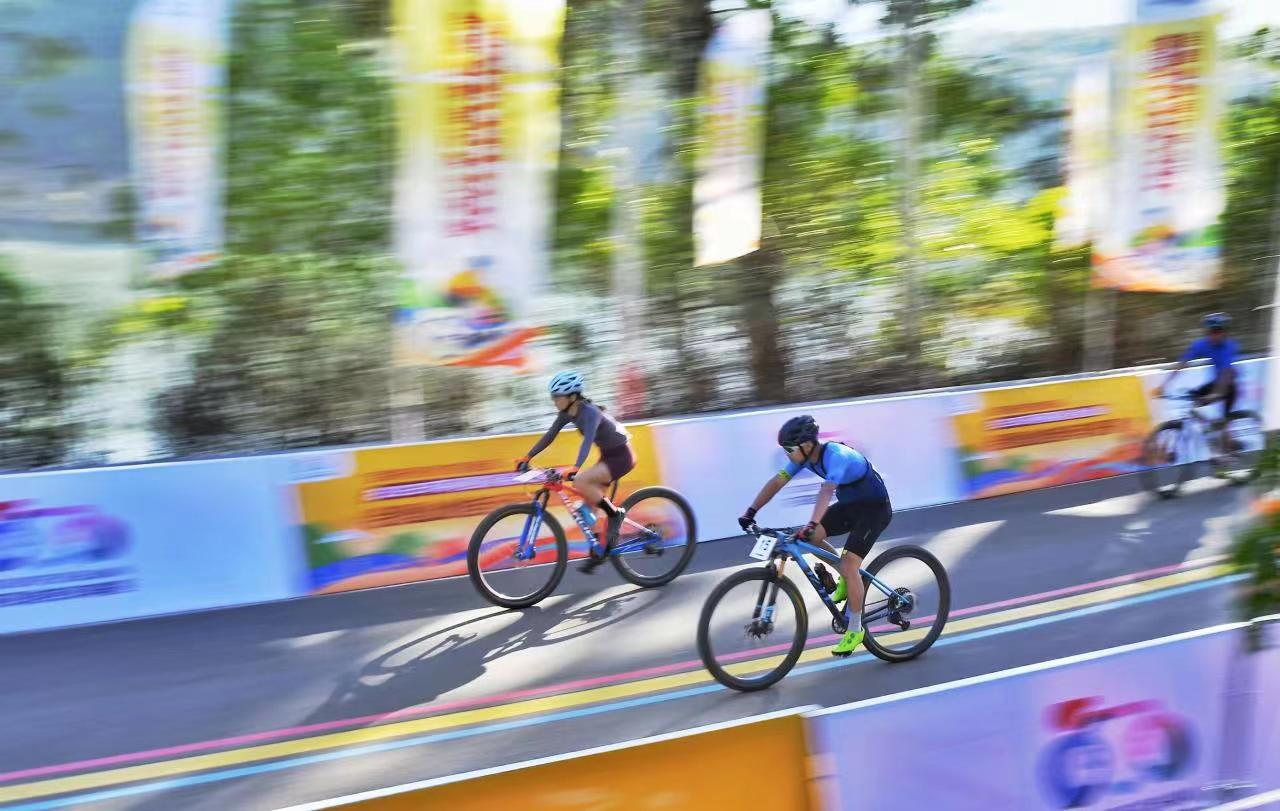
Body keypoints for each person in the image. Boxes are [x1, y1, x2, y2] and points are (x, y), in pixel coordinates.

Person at [738, 415, 892, 658]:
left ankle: (855, 629)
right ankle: (845, 578)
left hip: (874, 511)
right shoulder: (804, 458)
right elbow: (777, 482)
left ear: (807, 445)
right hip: (851, 506)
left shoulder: (837, 456)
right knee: (811, 538)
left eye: (790, 449)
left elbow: (827, 491)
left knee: (850, 564)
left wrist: (811, 523)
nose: (787, 454)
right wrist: (751, 512)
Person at [517, 371, 635, 572]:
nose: (553, 400)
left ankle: (615, 515)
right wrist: (527, 457)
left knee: (580, 481)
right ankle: (599, 550)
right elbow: (550, 435)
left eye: (557, 396)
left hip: (622, 457)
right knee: (584, 510)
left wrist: (575, 468)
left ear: (572, 396)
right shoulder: (566, 413)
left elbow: (587, 441)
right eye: (553, 396)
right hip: (607, 457)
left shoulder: (590, 412)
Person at [1161, 312, 1239, 429]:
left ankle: (1225, 435)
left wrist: (1216, 394)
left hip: (1228, 385)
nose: (1214, 335)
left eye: (1218, 331)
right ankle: (1210, 428)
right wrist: (1164, 384)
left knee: (1225, 423)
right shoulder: (1201, 344)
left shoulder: (1229, 346)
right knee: (1193, 399)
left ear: (1225, 333)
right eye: (1211, 332)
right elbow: (1183, 363)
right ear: (1207, 332)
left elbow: (1226, 373)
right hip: (1216, 383)